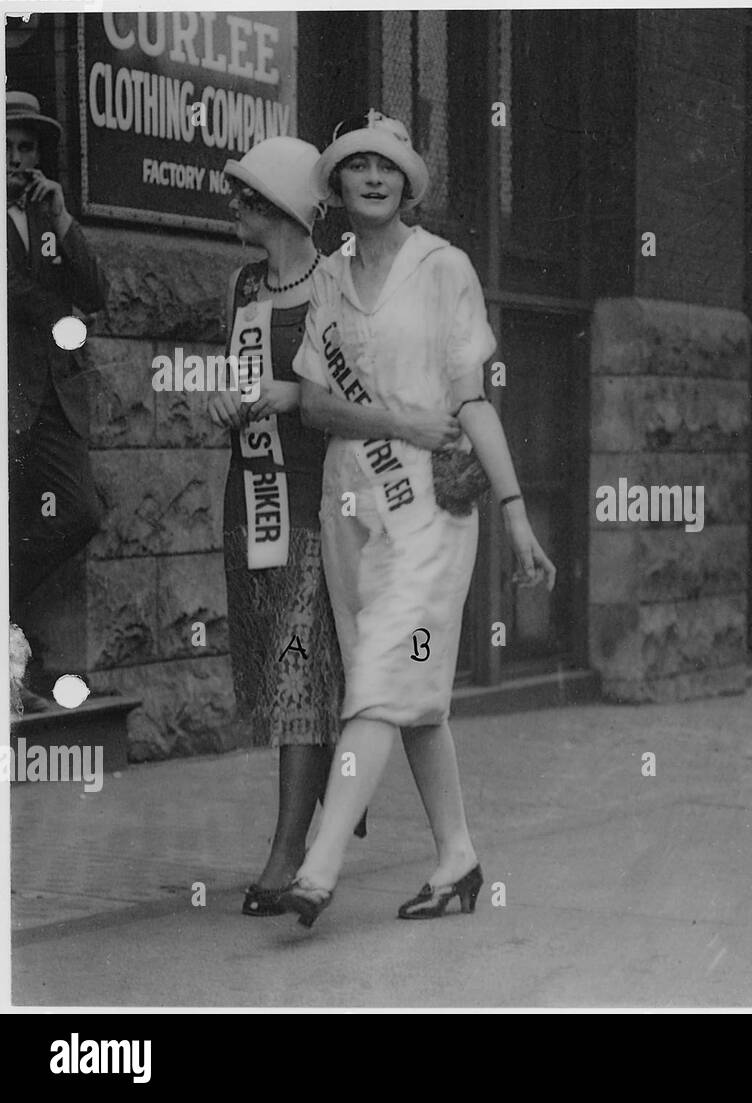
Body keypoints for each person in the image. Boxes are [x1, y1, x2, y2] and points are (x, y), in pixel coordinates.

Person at [278, 110, 556, 927]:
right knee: (412, 695)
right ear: (337, 184)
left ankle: (321, 861)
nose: (372, 177)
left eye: (388, 167)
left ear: (408, 183)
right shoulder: (328, 277)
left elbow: (470, 399)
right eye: (357, 166)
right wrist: (397, 421)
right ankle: (457, 858)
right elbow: (319, 405)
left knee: (377, 684)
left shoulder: (444, 268)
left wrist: (514, 512)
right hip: (350, 505)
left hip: (429, 512)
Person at [211, 136, 375, 915]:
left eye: (243, 200)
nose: (232, 211)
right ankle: (328, 784)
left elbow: (349, 399)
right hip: (251, 501)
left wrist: (290, 398)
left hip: (313, 505)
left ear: (275, 210)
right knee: (280, 673)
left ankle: (286, 855)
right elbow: (239, 379)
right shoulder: (243, 284)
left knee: (296, 673)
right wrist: (227, 400)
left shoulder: (333, 287)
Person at [7, 91, 106, 711]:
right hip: (8, 393)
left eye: (28, 148)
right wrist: (59, 309)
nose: (19, 160)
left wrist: (66, 220)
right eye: (7, 148)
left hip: (54, 401)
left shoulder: (48, 218)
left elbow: (95, 291)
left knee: (80, 512)